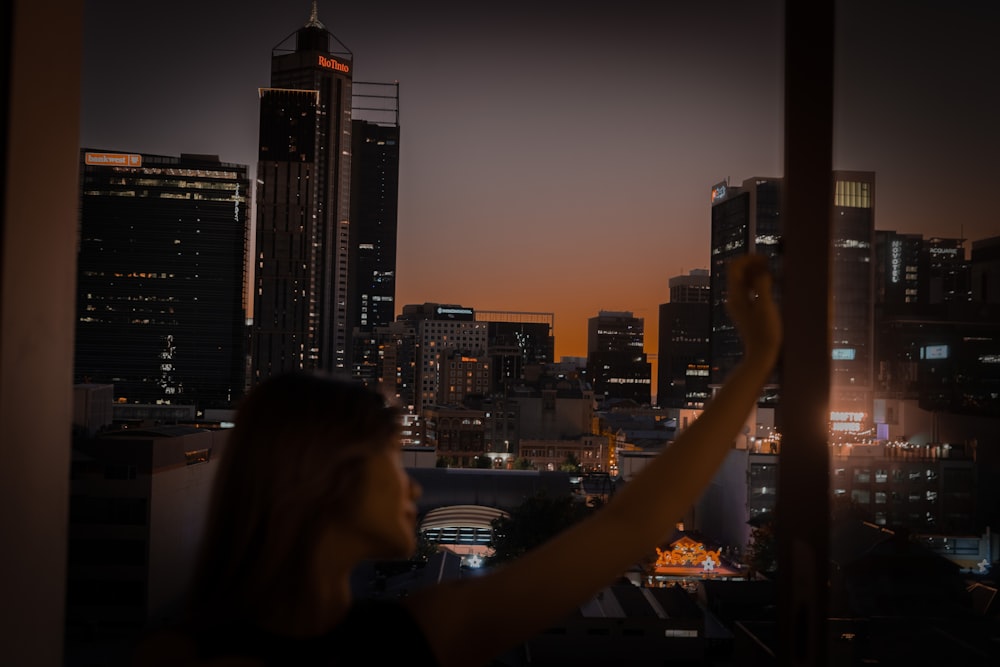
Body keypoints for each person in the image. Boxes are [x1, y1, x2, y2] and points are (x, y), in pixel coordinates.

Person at [133, 253, 781, 667]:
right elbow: (627, 528)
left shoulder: (184, 648)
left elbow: (629, 528)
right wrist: (756, 360)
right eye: (392, 458)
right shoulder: (416, 636)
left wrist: (757, 363)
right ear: (328, 480)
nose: (411, 485)